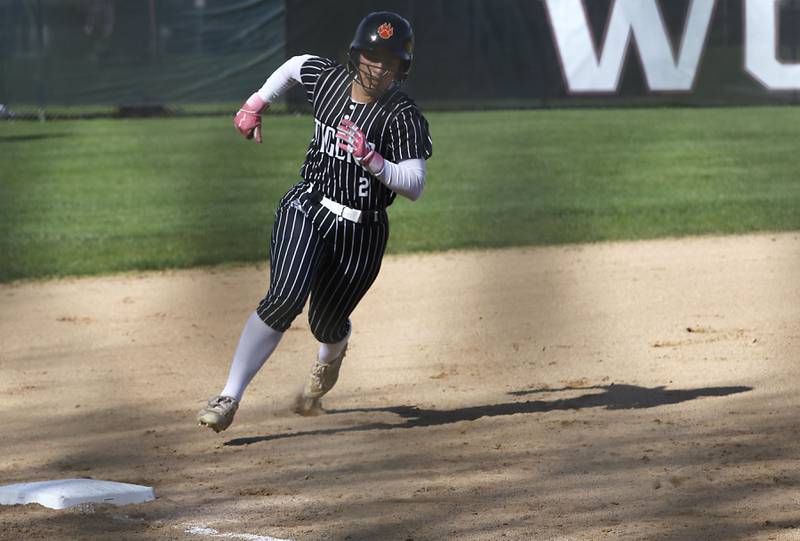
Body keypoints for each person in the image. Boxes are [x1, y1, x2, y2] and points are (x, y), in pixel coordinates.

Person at [197, 11, 432, 432]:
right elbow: (296, 65)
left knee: (325, 323)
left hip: (362, 232)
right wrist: (255, 103)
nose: (379, 69)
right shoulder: (330, 83)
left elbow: (414, 184)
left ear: (401, 69)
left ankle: (332, 353)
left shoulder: (401, 116)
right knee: (284, 298)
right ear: (357, 55)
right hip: (308, 205)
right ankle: (229, 396)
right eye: (373, 57)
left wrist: (373, 161)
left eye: (390, 62)